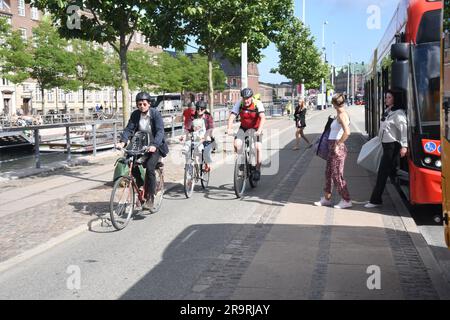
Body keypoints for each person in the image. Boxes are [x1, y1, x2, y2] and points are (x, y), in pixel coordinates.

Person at [115, 92, 169, 209]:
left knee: (150, 167)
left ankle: (150, 196)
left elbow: (160, 131)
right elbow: (128, 129)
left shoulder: (155, 114)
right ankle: (140, 185)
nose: (142, 106)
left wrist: (154, 145)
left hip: (156, 145)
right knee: (130, 163)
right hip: (140, 143)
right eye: (139, 104)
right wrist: (122, 142)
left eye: (144, 104)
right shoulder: (135, 114)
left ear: (149, 104)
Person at [365, 90, 407, 208]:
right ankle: (411, 180)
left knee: (382, 172)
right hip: (385, 145)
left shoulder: (399, 114)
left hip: (392, 146)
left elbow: (404, 130)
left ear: (395, 99)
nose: (386, 99)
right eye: (386, 97)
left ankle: (375, 200)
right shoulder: (388, 112)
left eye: (388, 97)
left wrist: (404, 146)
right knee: (391, 171)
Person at [314, 93, 352, 209]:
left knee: (336, 175)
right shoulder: (339, 114)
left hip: (337, 148)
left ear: (335, 104)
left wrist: (338, 144)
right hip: (333, 146)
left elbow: (347, 132)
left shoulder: (342, 115)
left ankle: (346, 200)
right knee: (329, 173)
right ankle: (327, 198)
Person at [227, 87, 266, 181]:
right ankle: (242, 162)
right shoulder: (239, 103)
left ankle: (257, 169)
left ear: (251, 97)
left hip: (256, 128)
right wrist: (229, 128)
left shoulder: (257, 103)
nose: (246, 100)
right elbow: (232, 116)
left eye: (248, 98)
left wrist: (259, 130)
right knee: (236, 144)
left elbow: (263, 117)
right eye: (244, 98)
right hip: (244, 127)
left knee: (257, 147)